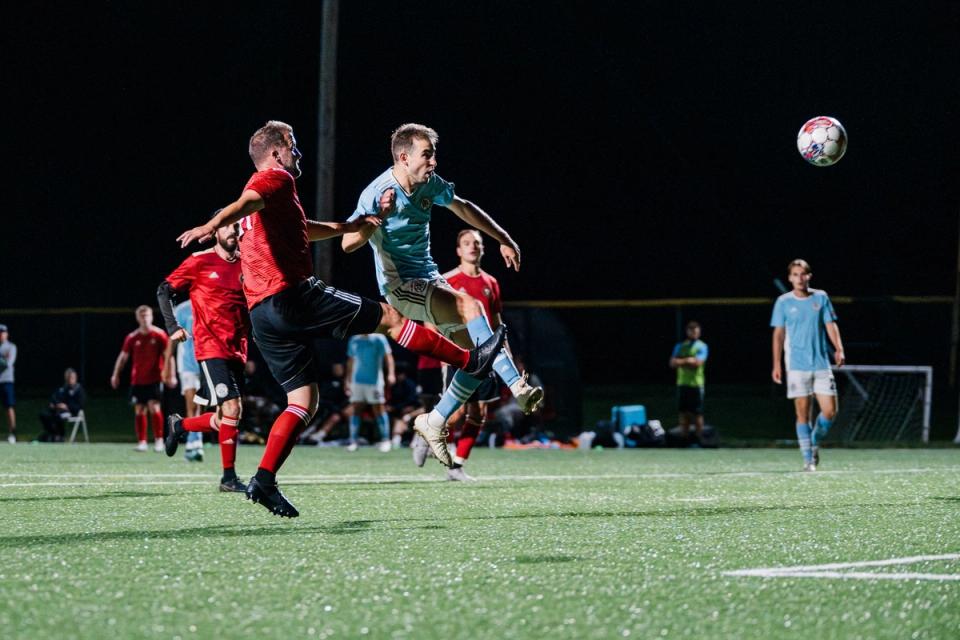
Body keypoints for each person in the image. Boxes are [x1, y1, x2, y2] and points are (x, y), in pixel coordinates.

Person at [175, 120, 506, 517]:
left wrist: (354, 226)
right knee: (389, 316)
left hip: (262, 314)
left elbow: (302, 230)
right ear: (277, 151)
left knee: (302, 401)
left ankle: (263, 480)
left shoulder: (275, 202)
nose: (297, 153)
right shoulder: (275, 178)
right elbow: (247, 199)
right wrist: (212, 225)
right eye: (293, 146)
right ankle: (473, 361)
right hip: (293, 296)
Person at [341, 123, 543, 453]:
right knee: (471, 306)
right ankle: (517, 386)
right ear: (404, 157)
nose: (433, 163)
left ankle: (434, 421)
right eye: (427, 156)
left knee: (474, 362)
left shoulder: (428, 184)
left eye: (434, 155)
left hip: (430, 279)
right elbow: (348, 243)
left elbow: (462, 206)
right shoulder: (377, 192)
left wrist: (503, 238)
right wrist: (376, 217)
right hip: (400, 285)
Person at [158, 221, 249, 492]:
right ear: (215, 232)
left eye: (236, 227)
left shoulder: (249, 263)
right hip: (211, 348)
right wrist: (173, 327)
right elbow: (164, 290)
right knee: (232, 409)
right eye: (226, 226)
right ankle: (228, 479)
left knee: (226, 418)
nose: (233, 231)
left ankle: (180, 426)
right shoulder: (200, 261)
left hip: (238, 349)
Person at [428, 228, 511, 481]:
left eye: (476, 243)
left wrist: (505, 354)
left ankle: (457, 466)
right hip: (460, 355)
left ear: (483, 249)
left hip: (486, 357)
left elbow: (496, 323)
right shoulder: (447, 281)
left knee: (479, 414)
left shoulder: (491, 283)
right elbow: (431, 319)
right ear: (458, 250)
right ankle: (425, 431)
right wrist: (444, 350)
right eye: (466, 243)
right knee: (455, 413)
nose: (472, 247)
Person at [771, 259, 846, 471]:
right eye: (795, 274)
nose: (799, 278)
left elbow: (830, 324)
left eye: (803, 274)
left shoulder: (820, 297)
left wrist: (839, 348)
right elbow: (778, 335)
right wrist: (776, 364)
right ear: (790, 278)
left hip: (821, 364)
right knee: (803, 414)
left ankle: (813, 440)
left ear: (809, 276)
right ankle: (808, 459)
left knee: (830, 411)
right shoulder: (783, 302)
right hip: (796, 366)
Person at [110, 306, 170, 451]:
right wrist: (115, 374)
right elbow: (123, 357)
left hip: (155, 378)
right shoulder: (132, 337)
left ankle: (159, 440)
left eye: (147, 315)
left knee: (154, 406)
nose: (145, 318)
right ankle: (142, 442)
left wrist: (170, 374)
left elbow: (168, 356)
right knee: (139, 409)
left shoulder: (159, 334)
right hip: (137, 379)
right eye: (142, 316)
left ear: (151, 317)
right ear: (137, 318)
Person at [162, 301, 205, 462]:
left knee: (202, 404)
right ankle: (193, 444)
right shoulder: (183, 309)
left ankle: (194, 440)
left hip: (208, 361)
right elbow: (172, 338)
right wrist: (167, 365)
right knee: (192, 403)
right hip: (188, 364)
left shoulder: (210, 302)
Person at [345, 334, 395, 452]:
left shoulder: (379, 338)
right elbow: (351, 360)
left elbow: (388, 357)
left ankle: (386, 440)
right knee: (356, 409)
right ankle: (353, 441)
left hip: (375, 381)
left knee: (379, 409)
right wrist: (347, 380)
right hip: (357, 381)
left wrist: (391, 373)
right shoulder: (354, 339)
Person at [669, 321, 709, 444]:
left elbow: (697, 363)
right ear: (687, 332)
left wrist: (681, 361)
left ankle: (699, 439)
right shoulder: (680, 346)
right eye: (692, 331)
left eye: (697, 331)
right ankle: (684, 438)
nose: (694, 334)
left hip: (696, 384)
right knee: (683, 413)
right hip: (682, 383)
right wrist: (688, 360)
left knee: (697, 413)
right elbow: (672, 363)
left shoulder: (702, 346)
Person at [36, 368, 86, 442]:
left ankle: (60, 436)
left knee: (59, 416)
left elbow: (80, 405)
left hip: (71, 412)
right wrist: (54, 404)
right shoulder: (64, 388)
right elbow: (56, 397)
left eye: (72, 378)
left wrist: (67, 406)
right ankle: (52, 434)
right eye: (69, 377)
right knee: (44, 414)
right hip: (59, 410)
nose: (71, 380)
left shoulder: (79, 390)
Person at [0, 324, 17, 444]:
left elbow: (8, 363)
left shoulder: (11, 347)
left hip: (7, 381)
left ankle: (12, 433)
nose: (1, 334)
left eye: (2, 332)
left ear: (7, 333)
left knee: (9, 407)